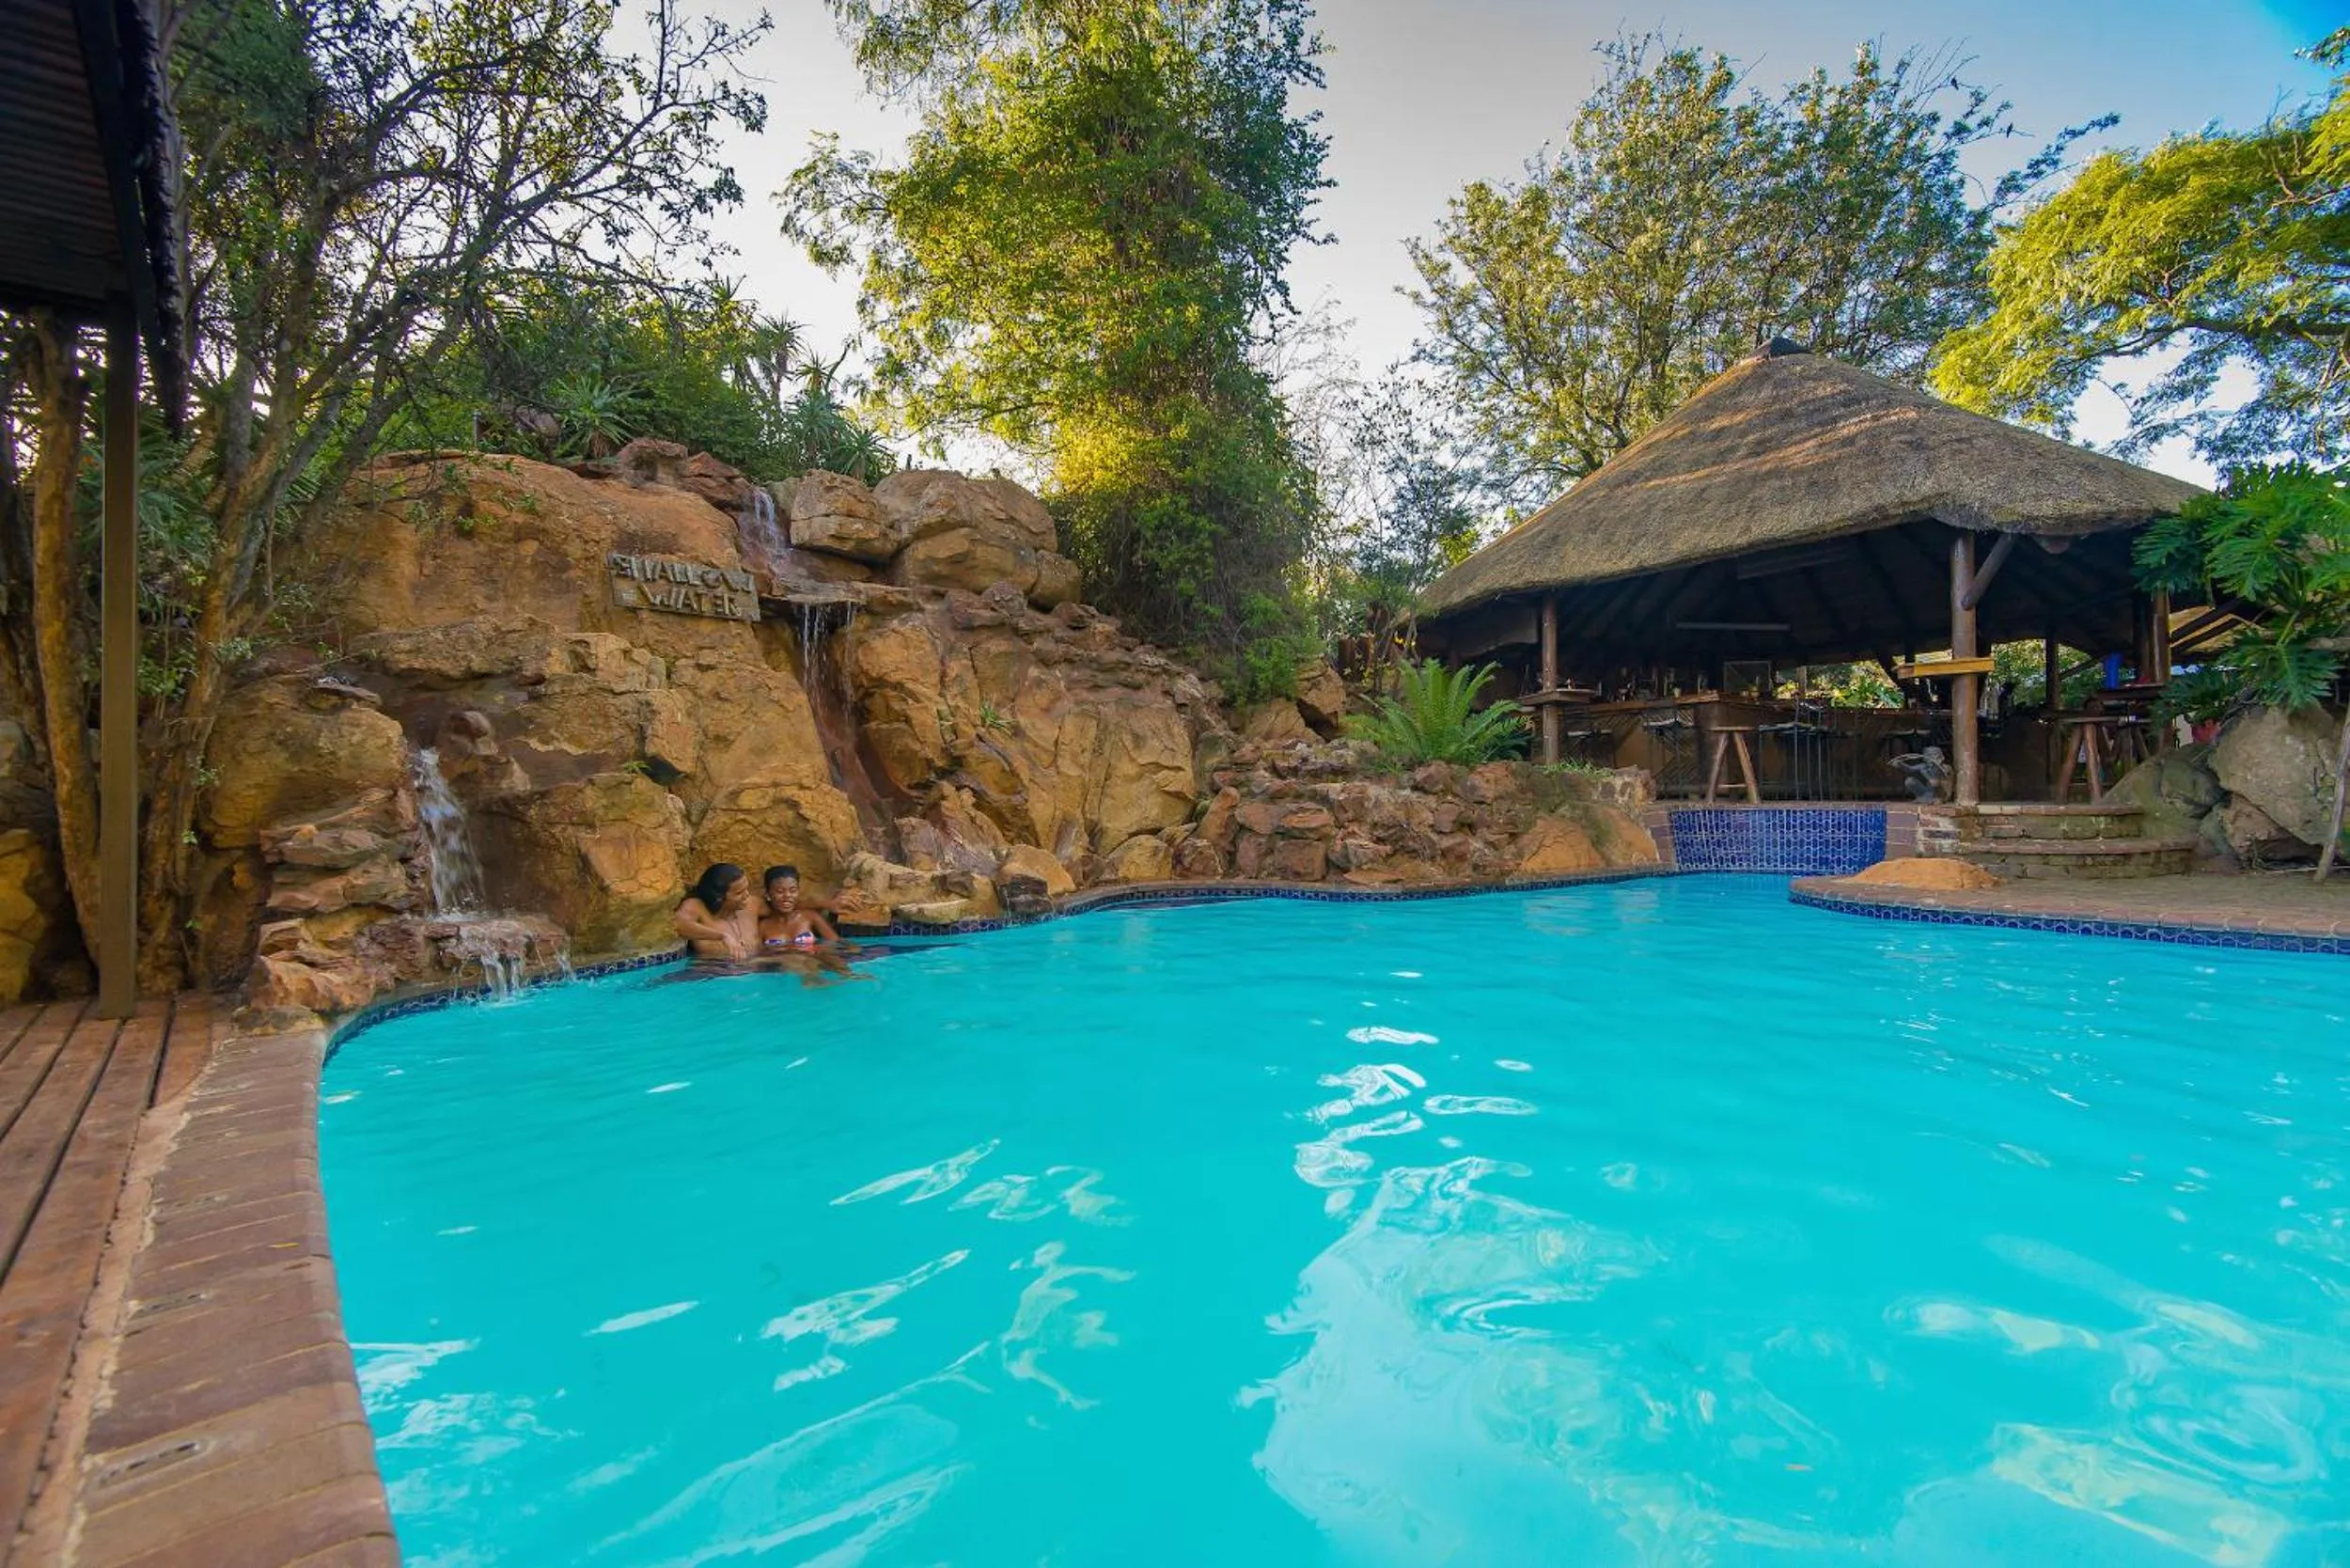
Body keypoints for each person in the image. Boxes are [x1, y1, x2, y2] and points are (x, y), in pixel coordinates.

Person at [674, 863, 760, 960]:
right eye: (739, 893)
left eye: (746, 889)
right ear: (719, 897)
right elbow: (678, 925)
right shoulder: (697, 906)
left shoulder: (753, 904)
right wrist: (722, 936)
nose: (747, 895)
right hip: (712, 971)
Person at [759, 865, 840, 950]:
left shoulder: (810, 916)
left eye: (793, 890)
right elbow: (756, 956)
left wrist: (817, 949)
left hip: (810, 962)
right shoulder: (763, 927)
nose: (787, 895)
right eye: (780, 891)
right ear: (768, 895)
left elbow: (836, 944)